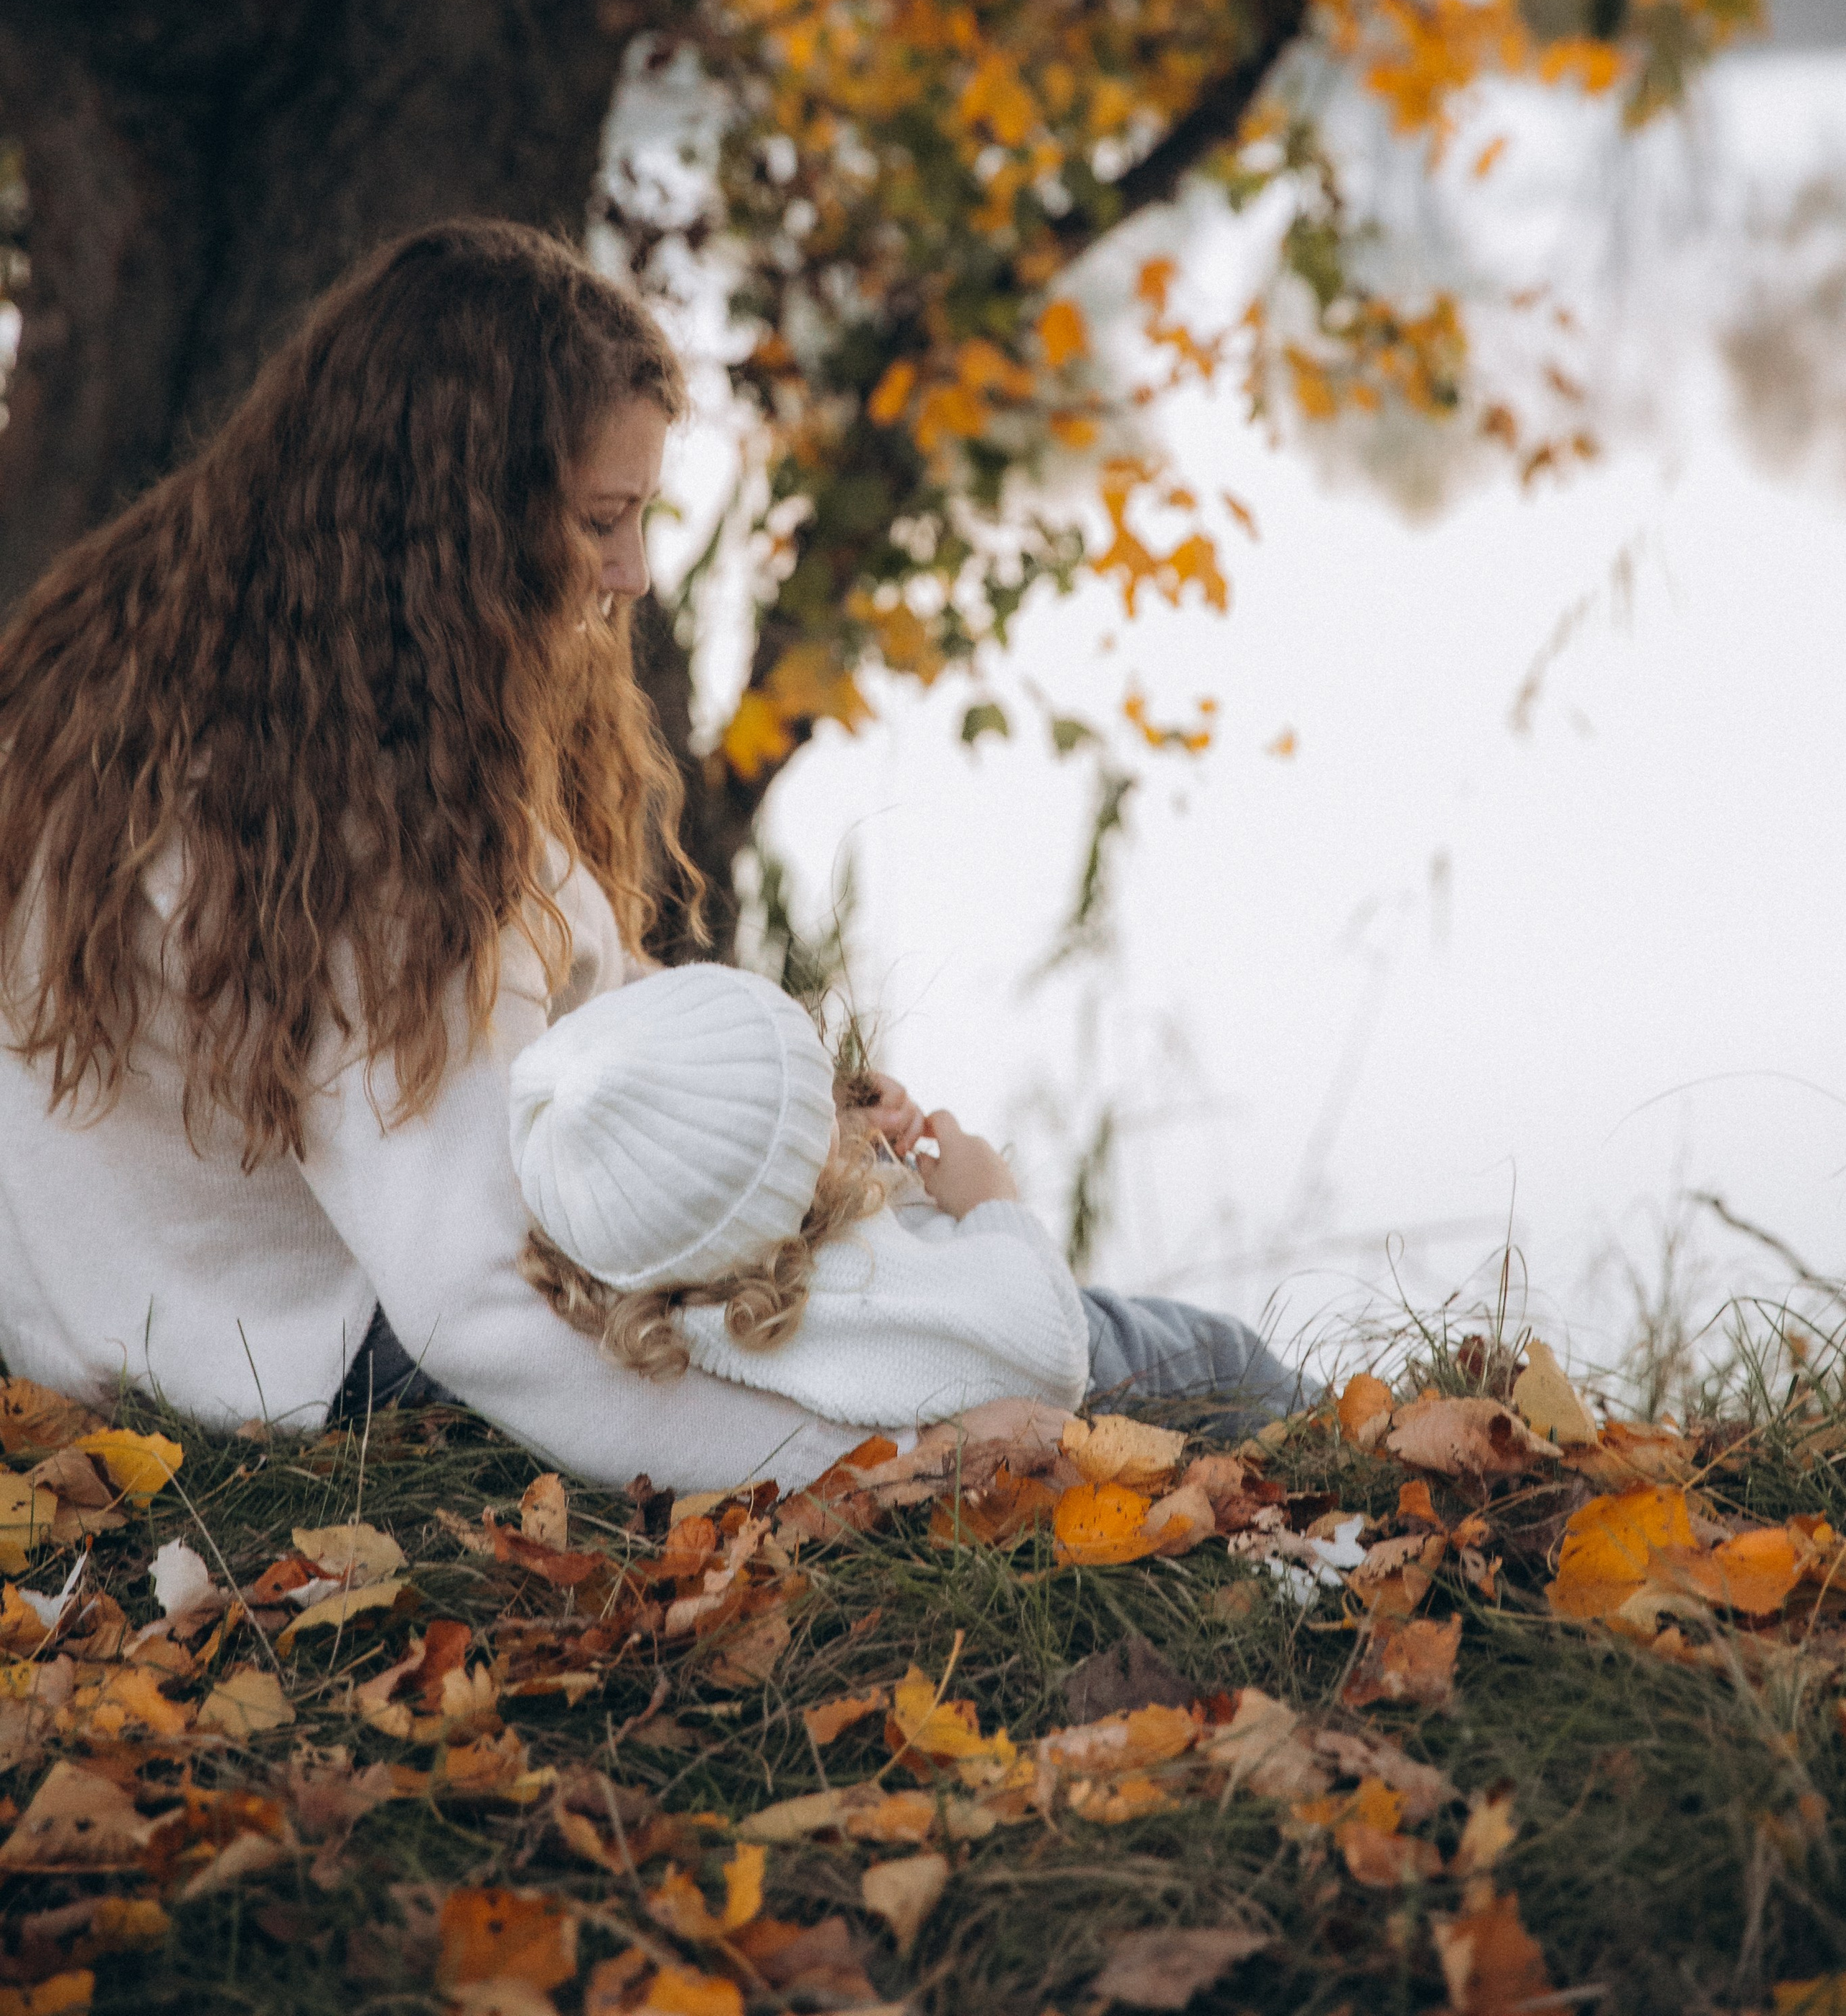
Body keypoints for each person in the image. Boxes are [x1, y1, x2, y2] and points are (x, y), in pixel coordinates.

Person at [0, 218, 1295, 1488]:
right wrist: (871, 1463)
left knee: (1034, 1315)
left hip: (138, 1317)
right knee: (1202, 1368)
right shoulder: (345, 823)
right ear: (456, 522)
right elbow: (475, 1306)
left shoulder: (165, 664)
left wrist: (793, 1119)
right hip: (315, 1354)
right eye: (601, 520)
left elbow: (561, 1009)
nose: (632, 572)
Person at [513, 963, 1299, 1433]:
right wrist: (990, 1201)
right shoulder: (865, 1288)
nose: (834, 1104)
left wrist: (836, 1130)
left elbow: (722, 1172)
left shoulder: (663, 1266)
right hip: (1097, 1375)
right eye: (814, 1103)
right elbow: (1051, 1351)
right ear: (805, 1183)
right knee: (1225, 1357)